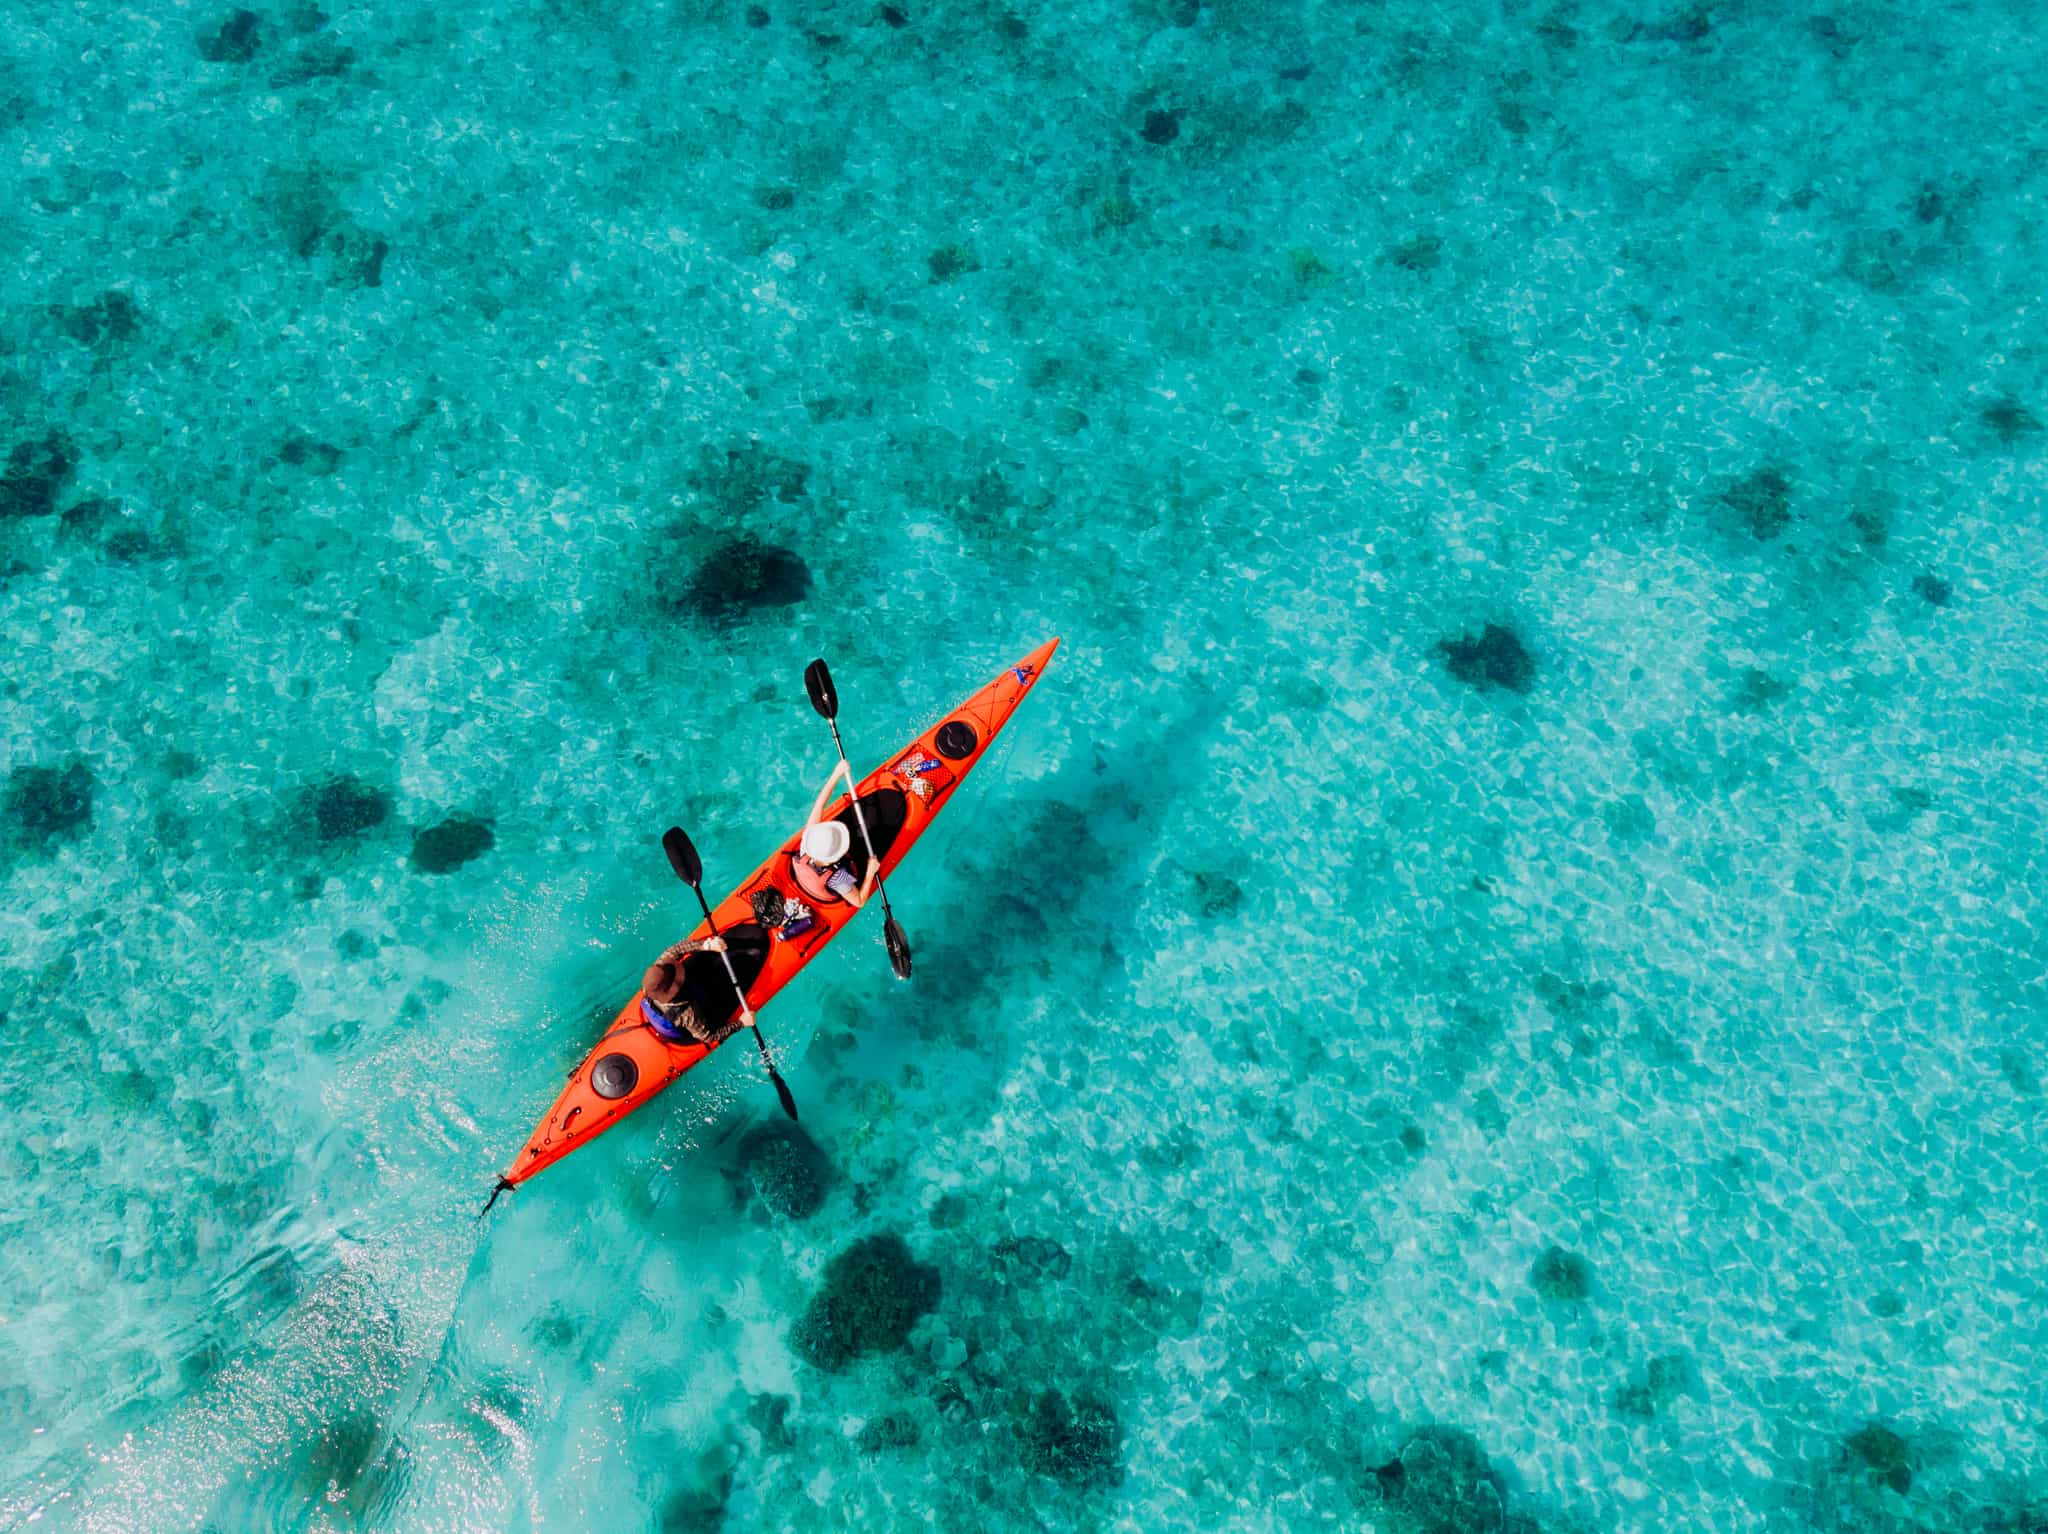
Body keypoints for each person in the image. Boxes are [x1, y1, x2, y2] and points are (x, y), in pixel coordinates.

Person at [641, 934, 756, 1046]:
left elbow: (676, 949)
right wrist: (741, 1023)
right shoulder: (687, 1015)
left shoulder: (658, 973)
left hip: (682, 996)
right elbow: (708, 1036)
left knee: (701, 959)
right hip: (693, 1025)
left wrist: (707, 946)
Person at [798, 764, 882, 908]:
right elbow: (859, 902)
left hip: (810, 881)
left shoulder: (805, 848)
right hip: (833, 884)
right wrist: (870, 871)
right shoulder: (839, 878)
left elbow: (819, 805)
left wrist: (836, 774)